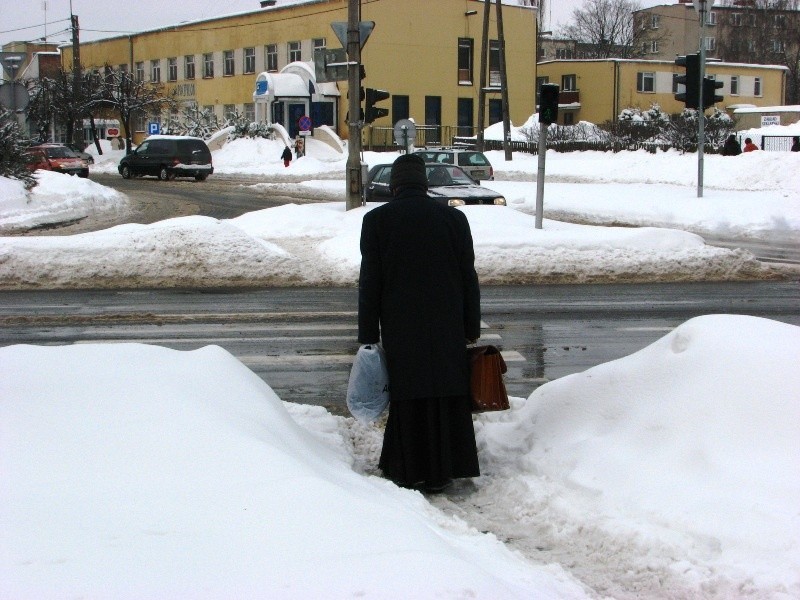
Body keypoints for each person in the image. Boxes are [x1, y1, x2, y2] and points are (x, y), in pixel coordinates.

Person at [358, 153, 481, 493]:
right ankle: (446, 467)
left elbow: (370, 282)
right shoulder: (453, 220)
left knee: (408, 395)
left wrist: (368, 334)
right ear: (425, 184)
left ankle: (407, 467)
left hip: (401, 325)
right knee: (445, 392)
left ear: (395, 185)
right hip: (447, 324)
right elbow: (467, 277)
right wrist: (472, 326)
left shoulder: (378, 221)